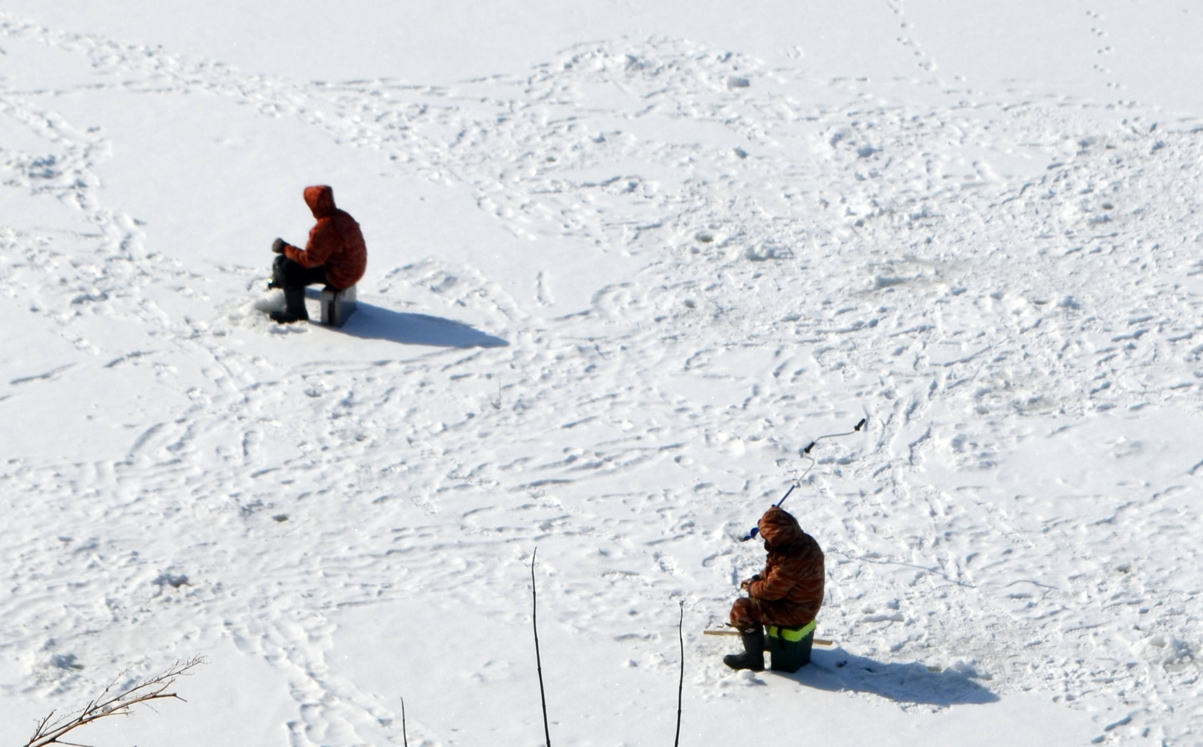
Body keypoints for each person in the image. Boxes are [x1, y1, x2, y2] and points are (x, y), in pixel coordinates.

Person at [724, 505, 825, 671]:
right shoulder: (803, 542)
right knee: (757, 599)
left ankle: (752, 659)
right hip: (804, 603)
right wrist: (757, 579)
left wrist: (752, 587)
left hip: (796, 611)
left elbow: (770, 591)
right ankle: (772, 641)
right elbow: (776, 572)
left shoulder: (790, 557)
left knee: (742, 608)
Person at [267, 185, 367, 323]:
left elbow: (309, 260)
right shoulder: (343, 216)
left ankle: (295, 312)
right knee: (285, 260)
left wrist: (285, 248)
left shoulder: (324, 228)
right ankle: (282, 284)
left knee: (288, 268)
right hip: (354, 269)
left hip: (340, 276)